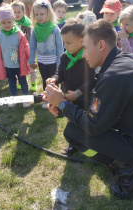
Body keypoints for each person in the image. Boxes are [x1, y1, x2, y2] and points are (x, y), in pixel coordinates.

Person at [43, 19, 133, 199]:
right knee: (85, 125)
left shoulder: (113, 75)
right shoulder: (128, 59)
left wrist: (63, 103)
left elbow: (92, 125)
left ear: (101, 45)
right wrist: (64, 106)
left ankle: (130, 171)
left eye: (86, 48)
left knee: (73, 133)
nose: (84, 55)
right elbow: (108, 107)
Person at [47, 18, 97, 155]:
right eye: (64, 42)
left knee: (85, 123)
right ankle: (73, 144)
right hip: (69, 97)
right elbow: (60, 72)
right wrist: (54, 79)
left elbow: (92, 80)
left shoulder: (87, 57)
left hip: (85, 98)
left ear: (82, 40)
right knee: (72, 122)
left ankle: (91, 148)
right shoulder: (65, 56)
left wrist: (78, 93)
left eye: (68, 42)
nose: (65, 46)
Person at [0, 5, 31, 108]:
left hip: (20, 65)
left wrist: (30, 59)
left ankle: (26, 99)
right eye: (4, 23)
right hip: (8, 65)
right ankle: (14, 98)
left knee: (23, 81)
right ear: (0, 23)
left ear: (13, 20)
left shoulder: (19, 34)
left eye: (9, 22)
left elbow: (26, 47)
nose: (7, 25)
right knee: (11, 82)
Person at [29, 0, 64, 109]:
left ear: (48, 13)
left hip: (53, 60)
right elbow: (32, 45)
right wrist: (31, 60)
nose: (39, 17)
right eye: (36, 14)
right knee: (45, 79)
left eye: (42, 14)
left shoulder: (55, 29)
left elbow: (60, 47)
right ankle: (47, 99)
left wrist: (60, 62)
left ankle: (56, 100)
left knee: (53, 81)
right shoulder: (35, 29)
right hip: (41, 60)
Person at [12, 0, 38, 92]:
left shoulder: (28, 24)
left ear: (24, 12)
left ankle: (33, 82)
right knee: (19, 66)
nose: (16, 14)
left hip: (28, 49)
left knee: (31, 65)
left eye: (19, 12)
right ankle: (22, 81)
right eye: (14, 12)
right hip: (16, 50)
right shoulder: (11, 24)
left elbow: (33, 38)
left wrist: (32, 49)